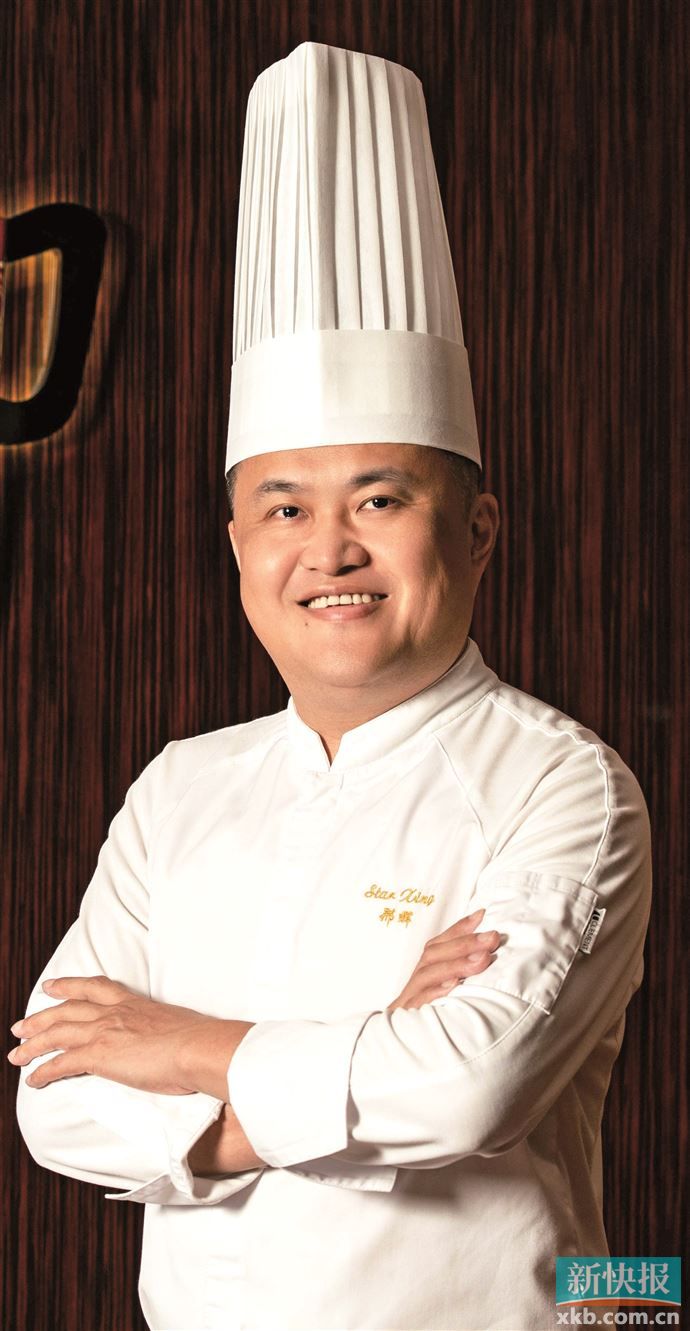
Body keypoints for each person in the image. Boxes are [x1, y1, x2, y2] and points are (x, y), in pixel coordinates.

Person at [9, 41, 651, 1331]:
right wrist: (367, 1044)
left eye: (381, 499)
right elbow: (54, 1103)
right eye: (284, 507)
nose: (331, 552)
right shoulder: (181, 787)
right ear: (238, 545)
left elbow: (469, 1090)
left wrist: (180, 1046)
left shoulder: (566, 783)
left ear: (475, 531)